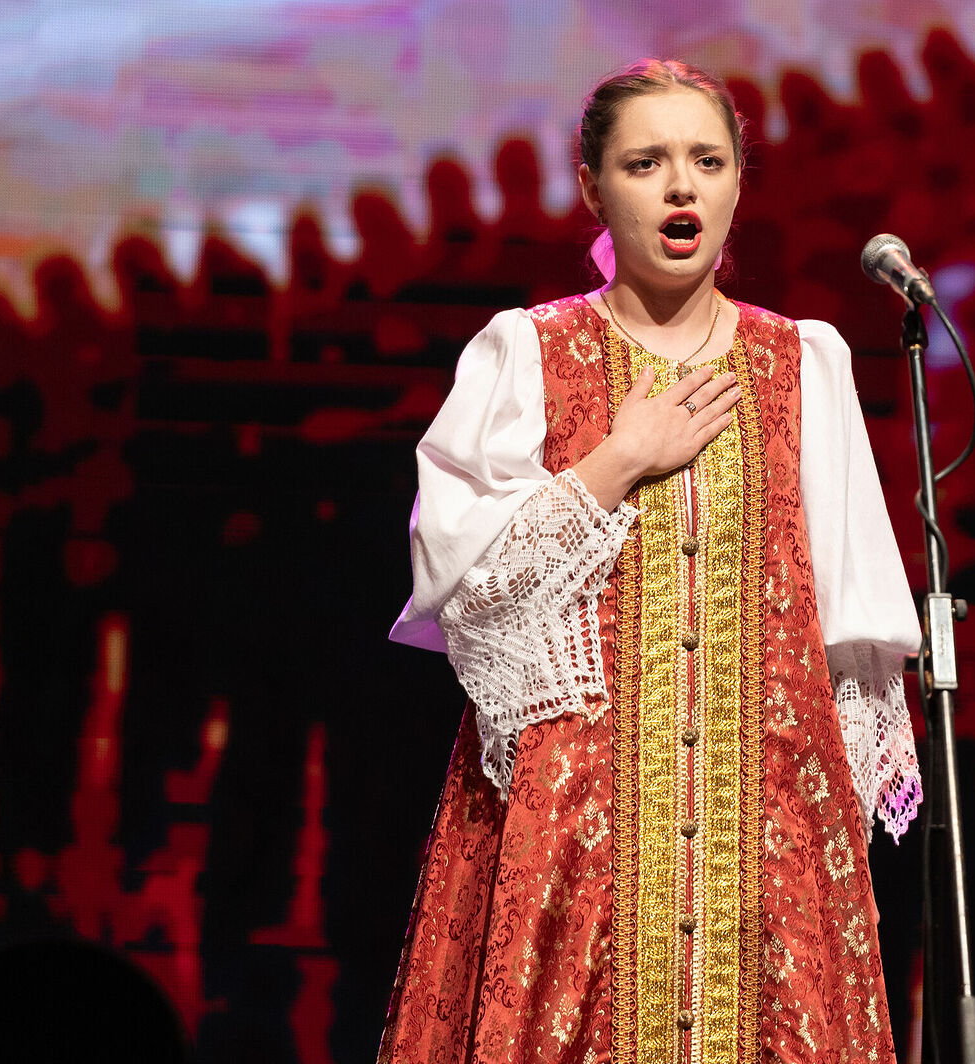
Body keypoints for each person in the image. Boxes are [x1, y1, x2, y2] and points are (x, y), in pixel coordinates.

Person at [376, 58, 922, 1064]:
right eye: (646, 163)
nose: (681, 187)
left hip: (763, 855)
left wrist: (825, 860)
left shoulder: (804, 363)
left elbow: (849, 648)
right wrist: (615, 461)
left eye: (707, 161)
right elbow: (469, 593)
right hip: (574, 847)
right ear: (593, 187)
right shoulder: (527, 354)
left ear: (738, 183)